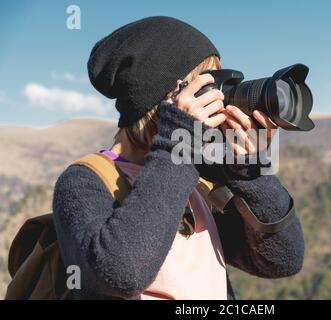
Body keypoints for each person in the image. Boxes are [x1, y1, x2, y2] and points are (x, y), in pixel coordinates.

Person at [52, 16, 304, 300]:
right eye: (205, 87)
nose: (218, 101)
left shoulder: (196, 181)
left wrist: (250, 170)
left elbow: (283, 259)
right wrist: (178, 144)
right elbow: (121, 273)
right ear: (161, 99)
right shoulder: (85, 182)